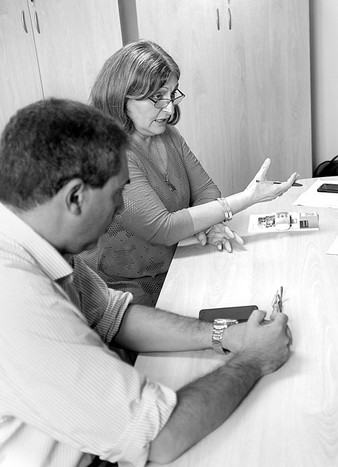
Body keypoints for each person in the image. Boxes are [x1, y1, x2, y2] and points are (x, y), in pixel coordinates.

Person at [0, 98, 292, 466]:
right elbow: (158, 437)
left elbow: (114, 316)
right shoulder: (17, 301)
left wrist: (222, 334)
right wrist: (254, 359)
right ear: (75, 197)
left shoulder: (34, 241)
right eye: (116, 193)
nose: (122, 208)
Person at [80, 40, 299, 306]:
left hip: (178, 261)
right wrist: (246, 198)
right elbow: (163, 228)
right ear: (121, 97)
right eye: (157, 97)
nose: (170, 108)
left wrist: (211, 222)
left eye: (172, 94)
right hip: (125, 291)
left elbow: (207, 191)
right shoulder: (112, 154)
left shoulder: (167, 135)